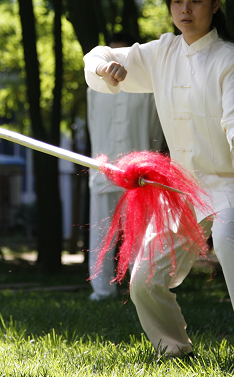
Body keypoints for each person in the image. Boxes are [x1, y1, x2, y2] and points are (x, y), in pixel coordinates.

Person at [84, 0, 234, 374]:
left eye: (195, 1)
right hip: (183, 187)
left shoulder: (230, 57)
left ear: (214, 6)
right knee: (144, 277)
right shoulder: (161, 52)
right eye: (178, 2)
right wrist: (105, 68)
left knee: (230, 241)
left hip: (233, 179)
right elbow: (99, 55)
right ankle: (175, 350)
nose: (185, 10)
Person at [87, 32, 164, 301]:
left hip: (138, 173)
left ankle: (141, 290)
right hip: (104, 170)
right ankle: (101, 290)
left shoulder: (148, 87)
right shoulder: (94, 87)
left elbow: (156, 128)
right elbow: (93, 123)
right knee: (100, 234)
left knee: (140, 234)